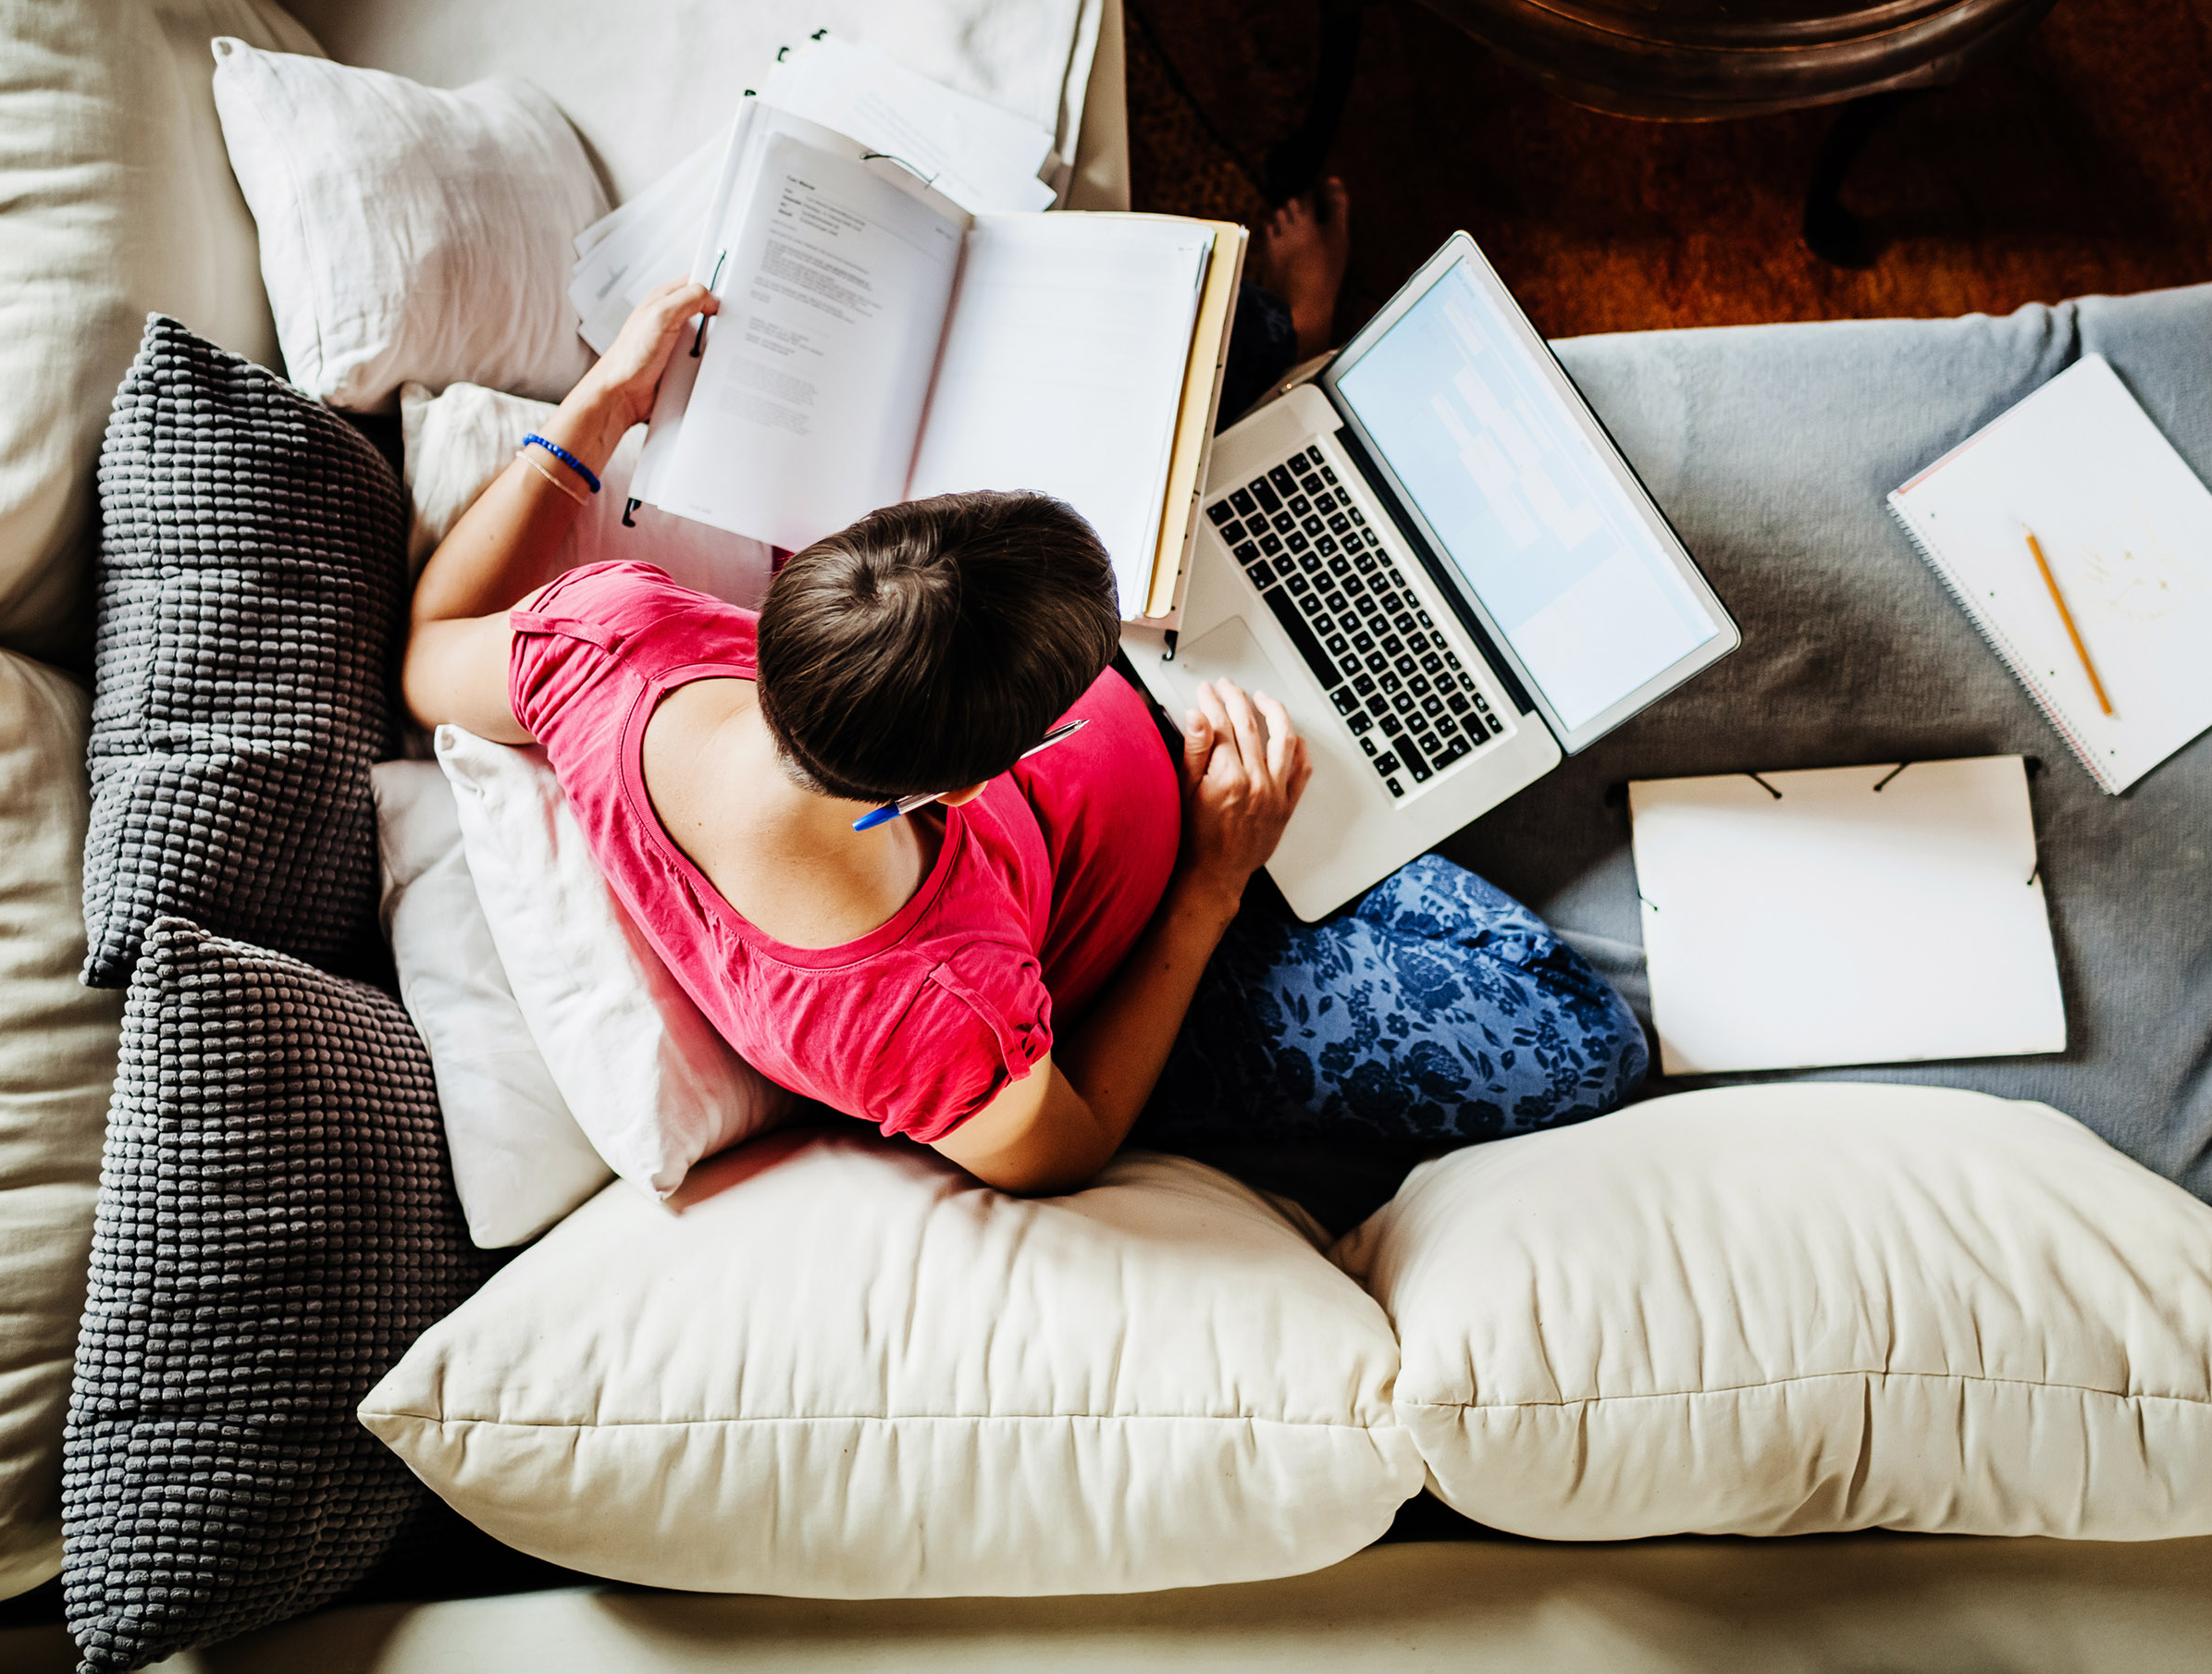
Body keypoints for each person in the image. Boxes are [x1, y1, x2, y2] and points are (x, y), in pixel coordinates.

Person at [402, 182, 1648, 1196]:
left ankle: (1289, 350)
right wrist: (1214, 879)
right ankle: (1290, 361)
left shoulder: (608, 637)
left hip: (1113, 704)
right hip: (1186, 917)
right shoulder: (924, 1013)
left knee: (1204, 332)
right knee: (1574, 1048)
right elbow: (1075, 1141)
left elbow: (430, 645)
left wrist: (596, 412)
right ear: (958, 784)